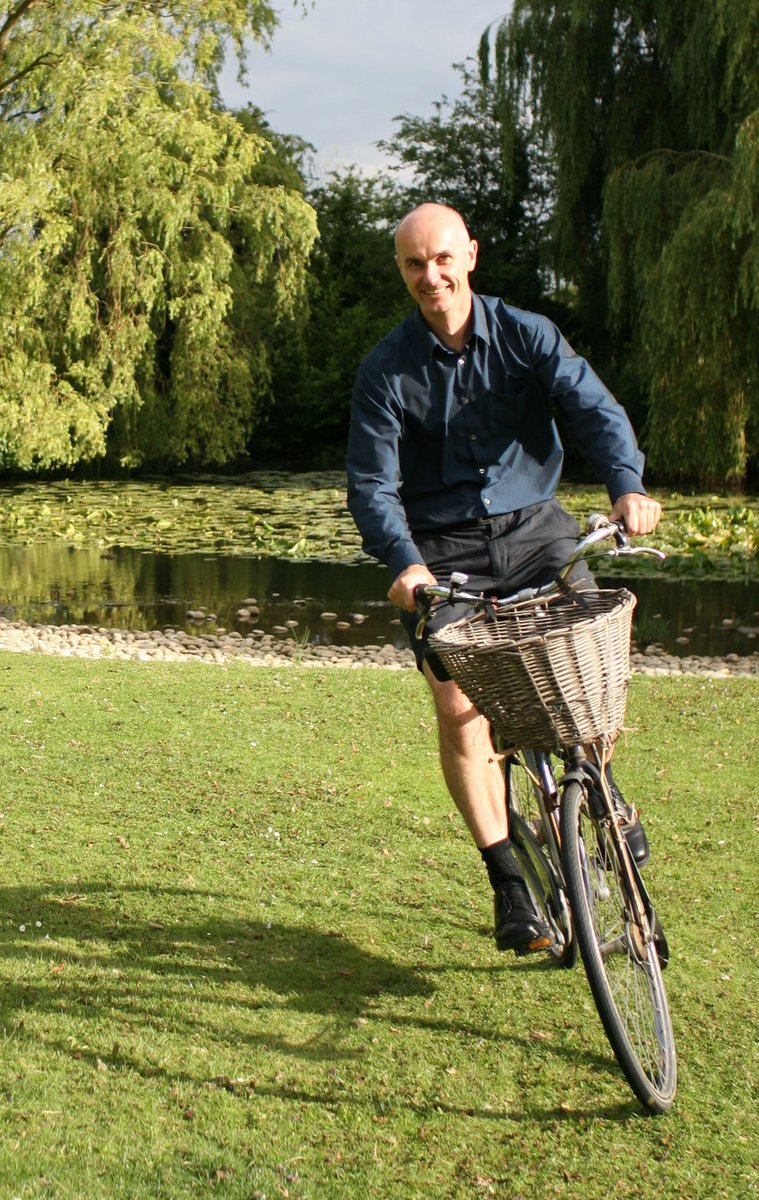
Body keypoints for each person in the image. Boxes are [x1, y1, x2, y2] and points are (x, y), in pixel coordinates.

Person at [346, 202, 662, 955]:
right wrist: (405, 565)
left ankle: (597, 784)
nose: (431, 276)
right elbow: (371, 484)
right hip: (442, 549)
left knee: (588, 668)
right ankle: (509, 885)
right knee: (459, 709)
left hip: (535, 530)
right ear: (403, 272)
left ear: (471, 256)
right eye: (414, 265)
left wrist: (625, 485)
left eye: (443, 259)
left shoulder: (525, 334)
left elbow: (592, 409)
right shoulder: (385, 370)